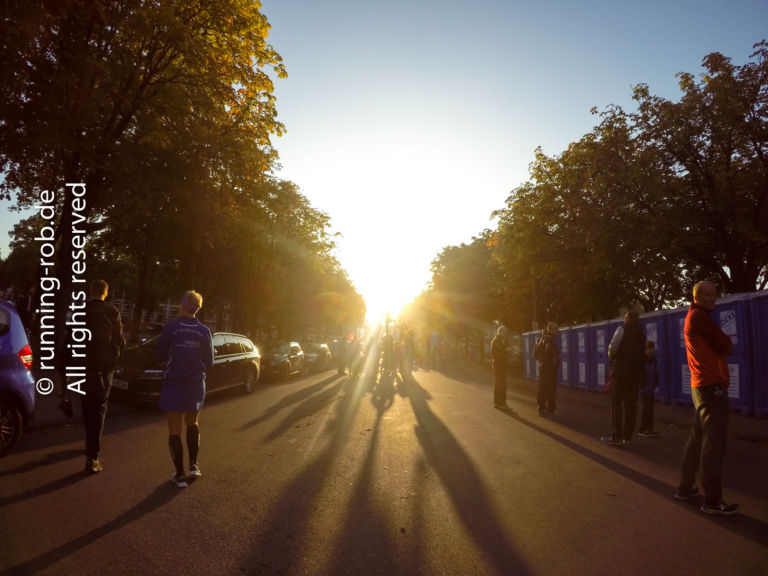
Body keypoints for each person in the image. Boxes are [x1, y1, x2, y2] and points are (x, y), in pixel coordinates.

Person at [675, 281, 738, 515]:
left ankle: (685, 486)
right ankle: (712, 500)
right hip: (712, 387)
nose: (714, 298)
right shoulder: (701, 318)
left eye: (715, 294)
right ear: (697, 296)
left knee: (697, 438)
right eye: (709, 295)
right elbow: (725, 344)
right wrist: (725, 344)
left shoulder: (694, 316)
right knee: (714, 443)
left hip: (700, 385)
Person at [157, 290, 213, 488]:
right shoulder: (205, 331)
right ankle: (193, 466)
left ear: (182, 306)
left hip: (174, 381)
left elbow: (160, 354)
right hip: (196, 383)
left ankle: (179, 475)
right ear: (198, 308)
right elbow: (210, 361)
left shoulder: (172, 327)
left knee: (174, 428)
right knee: (192, 422)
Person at [80, 279, 125, 473]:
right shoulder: (112, 312)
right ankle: (93, 457)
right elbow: (120, 341)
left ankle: (89, 441)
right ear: (105, 293)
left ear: (91, 292)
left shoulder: (81, 311)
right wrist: (116, 362)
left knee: (86, 404)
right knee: (100, 409)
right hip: (104, 370)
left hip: (83, 368)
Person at [601, 310, 645, 446]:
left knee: (616, 403)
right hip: (635, 374)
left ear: (627, 318)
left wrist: (611, 358)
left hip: (620, 373)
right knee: (631, 405)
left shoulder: (622, 329)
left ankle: (616, 436)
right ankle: (627, 437)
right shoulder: (640, 333)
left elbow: (612, 348)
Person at [534, 322, 559, 417]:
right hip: (549, 368)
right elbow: (551, 351)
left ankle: (541, 407)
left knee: (542, 387)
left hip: (542, 367)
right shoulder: (550, 339)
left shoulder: (540, 339)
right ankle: (550, 408)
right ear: (551, 329)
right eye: (556, 329)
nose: (557, 331)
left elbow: (535, 355)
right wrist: (555, 357)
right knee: (551, 388)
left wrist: (542, 360)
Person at [638, 340, 659, 437]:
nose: (650, 351)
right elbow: (640, 374)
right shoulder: (642, 360)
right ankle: (642, 429)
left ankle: (649, 428)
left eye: (652, 349)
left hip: (651, 386)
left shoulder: (654, 359)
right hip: (644, 388)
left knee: (651, 408)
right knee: (647, 408)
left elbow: (655, 372)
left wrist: (656, 383)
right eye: (649, 349)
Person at [491, 326, 510, 410]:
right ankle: (502, 403)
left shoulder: (497, 340)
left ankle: (498, 403)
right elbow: (499, 353)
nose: (506, 334)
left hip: (499, 364)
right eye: (506, 333)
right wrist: (506, 350)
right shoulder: (498, 341)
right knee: (501, 384)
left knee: (499, 384)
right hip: (499, 364)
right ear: (502, 332)